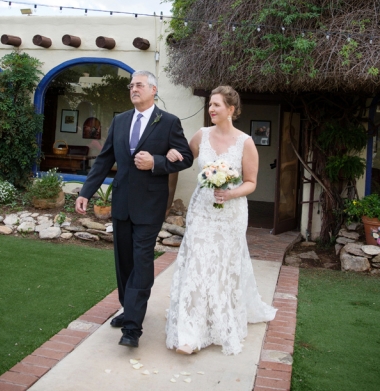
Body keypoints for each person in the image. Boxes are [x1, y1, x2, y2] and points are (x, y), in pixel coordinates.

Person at [75, 70, 193, 348]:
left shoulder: (169, 122)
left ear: (153, 89)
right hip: (122, 203)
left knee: (141, 261)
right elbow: (104, 160)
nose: (133, 89)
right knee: (124, 262)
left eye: (139, 85)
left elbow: (185, 157)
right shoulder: (120, 120)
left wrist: (156, 162)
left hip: (150, 206)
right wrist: (85, 192)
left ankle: (132, 327)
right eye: (131, 85)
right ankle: (128, 308)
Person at [164, 86, 276, 355]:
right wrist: (172, 155)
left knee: (223, 266)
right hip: (202, 209)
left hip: (231, 213)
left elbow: (251, 183)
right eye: (210, 105)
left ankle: (219, 322)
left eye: (217, 105)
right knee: (197, 264)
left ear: (231, 110)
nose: (211, 109)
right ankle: (190, 333)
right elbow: (185, 159)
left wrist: (230, 192)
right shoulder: (201, 135)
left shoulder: (245, 142)